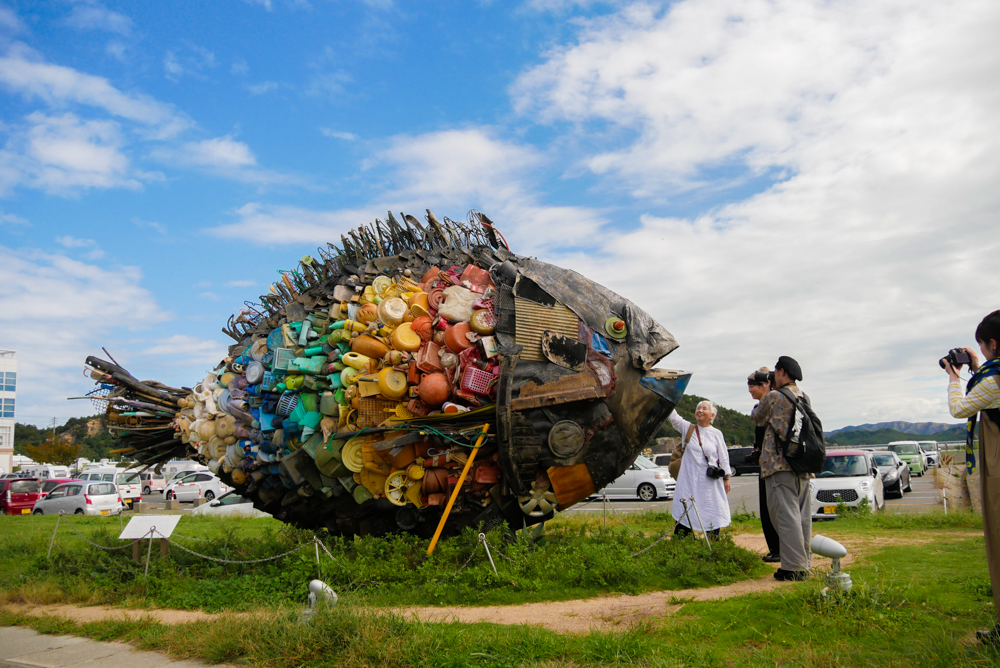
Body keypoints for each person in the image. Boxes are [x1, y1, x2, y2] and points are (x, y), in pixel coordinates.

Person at [944, 310, 1000, 644]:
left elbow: (959, 408)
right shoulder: (991, 377)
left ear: (992, 344)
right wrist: (979, 367)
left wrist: (954, 376)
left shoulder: (994, 381)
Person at [751, 356, 812, 582]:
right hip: (801, 465)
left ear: (782, 372)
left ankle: (794, 568)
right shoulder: (804, 396)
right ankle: (803, 561)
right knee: (802, 516)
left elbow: (756, 418)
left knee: (784, 516)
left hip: (779, 465)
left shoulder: (775, 397)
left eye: (774, 373)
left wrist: (767, 392)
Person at [667, 400, 732, 538]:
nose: (700, 411)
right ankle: (683, 544)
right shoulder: (688, 428)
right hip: (689, 479)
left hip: (709, 482)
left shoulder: (716, 434)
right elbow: (673, 418)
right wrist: (667, 399)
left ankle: (713, 542)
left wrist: (726, 478)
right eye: (698, 408)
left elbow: (724, 457)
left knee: (711, 507)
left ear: (712, 415)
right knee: (685, 509)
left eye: (704, 408)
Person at [748, 368, 780, 563]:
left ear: (765, 385)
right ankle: (776, 548)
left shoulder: (770, 403)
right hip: (769, 461)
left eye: (753, 386)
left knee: (771, 509)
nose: (750, 390)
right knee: (771, 508)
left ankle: (778, 549)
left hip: (770, 463)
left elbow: (758, 420)